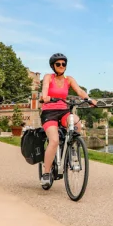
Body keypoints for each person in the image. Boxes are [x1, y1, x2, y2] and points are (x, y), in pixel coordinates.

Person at [39, 53, 96, 187]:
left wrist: (88, 99)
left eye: (63, 64)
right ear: (53, 66)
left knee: (77, 123)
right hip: (49, 112)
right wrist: (45, 97)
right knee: (54, 141)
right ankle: (46, 173)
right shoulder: (48, 77)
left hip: (64, 111)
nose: (61, 66)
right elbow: (45, 89)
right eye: (58, 64)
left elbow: (79, 91)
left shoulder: (69, 79)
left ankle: (73, 147)